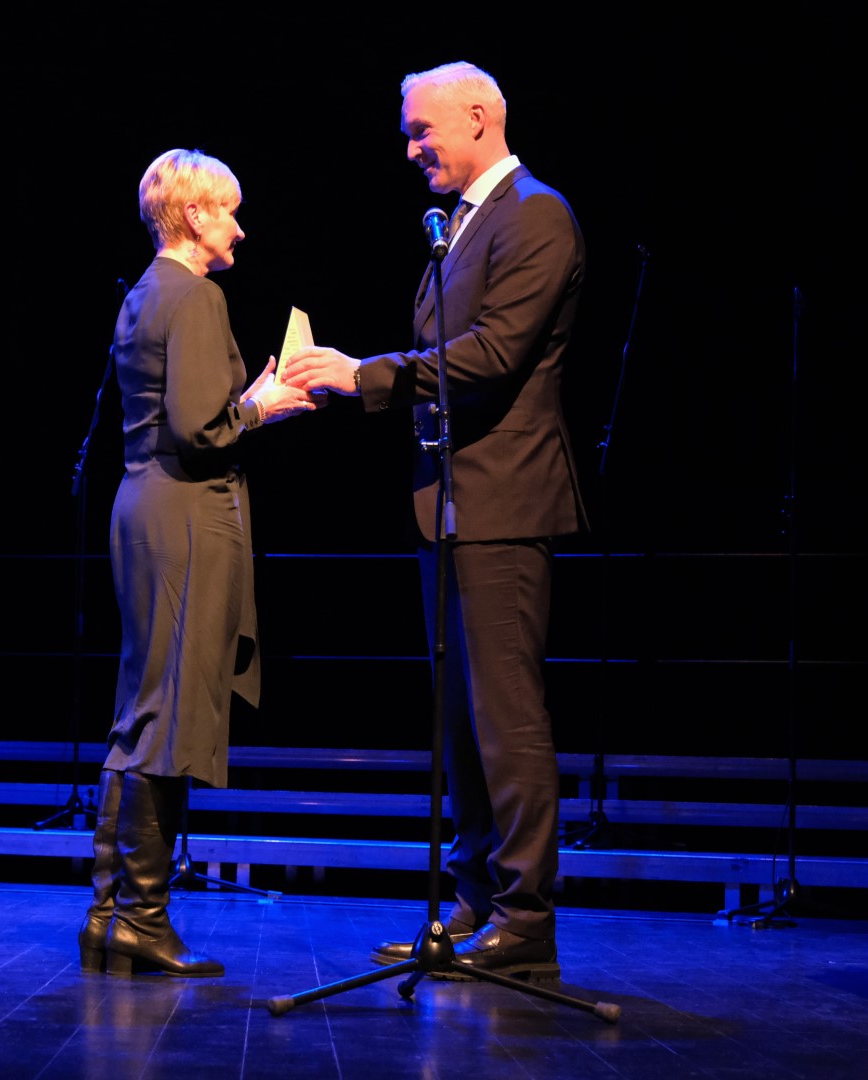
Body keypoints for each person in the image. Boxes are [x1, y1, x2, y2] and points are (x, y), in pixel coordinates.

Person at [281, 62, 586, 980]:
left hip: (504, 501)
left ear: (480, 116)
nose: (411, 148)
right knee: (461, 720)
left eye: (422, 129)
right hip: (449, 502)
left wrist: (363, 375)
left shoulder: (536, 214)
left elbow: (490, 356)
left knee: (505, 716)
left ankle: (525, 921)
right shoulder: (459, 227)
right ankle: (475, 900)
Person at [79, 148, 313, 978]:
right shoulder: (196, 294)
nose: (240, 229)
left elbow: (180, 415)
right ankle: (139, 916)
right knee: (167, 715)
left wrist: (240, 404)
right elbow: (202, 429)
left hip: (146, 504)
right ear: (193, 214)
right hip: (183, 515)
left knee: (145, 711)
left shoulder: (148, 292)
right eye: (230, 212)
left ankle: (113, 917)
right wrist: (264, 407)